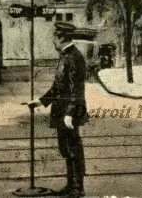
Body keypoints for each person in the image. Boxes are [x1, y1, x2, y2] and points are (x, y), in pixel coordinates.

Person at [31, 21, 87, 198]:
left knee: (73, 149)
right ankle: (71, 186)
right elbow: (57, 87)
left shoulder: (74, 57)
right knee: (66, 149)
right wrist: (40, 101)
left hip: (69, 113)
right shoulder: (65, 56)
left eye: (55, 37)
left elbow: (75, 90)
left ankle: (77, 189)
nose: (53, 40)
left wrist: (70, 114)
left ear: (62, 37)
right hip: (63, 111)